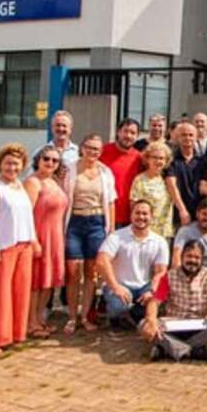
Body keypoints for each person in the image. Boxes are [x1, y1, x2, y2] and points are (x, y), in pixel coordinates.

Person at [0, 143, 39, 358]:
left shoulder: (20, 186)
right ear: (0, 164)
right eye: (8, 163)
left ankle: (14, 335)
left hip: (23, 246)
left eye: (16, 164)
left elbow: (27, 216)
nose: (12, 168)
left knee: (19, 293)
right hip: (2, 248)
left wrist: (33, 240)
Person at [139, 240, 207, 362]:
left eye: (197, 257)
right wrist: (151, 320)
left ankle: (169, 349)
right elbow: (154, 302)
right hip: (173, 325)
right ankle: (195, 350)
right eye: (189, 256)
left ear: (202, 259)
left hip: (200, 327)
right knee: (143, 325)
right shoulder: (169, 276)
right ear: (182, 257)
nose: (192, 260)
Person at [64, 133, 117, 336]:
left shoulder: (105, 172)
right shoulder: (69, 169)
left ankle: (85, 316)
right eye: (89, 147)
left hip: (96, 223)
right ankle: (71, 316)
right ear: (82, 148)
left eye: (96, 149)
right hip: (74, 223)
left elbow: (111, 201)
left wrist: (110, 229)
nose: (92, 152)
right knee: (72, 272)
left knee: (91, 273)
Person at [97, 200, 170, 328]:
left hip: (144, 287)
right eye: (137, 213)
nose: (141, 217)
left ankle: (133, 313)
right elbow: (102, 261)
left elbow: (161, 272)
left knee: (153, 304)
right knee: (118, 307)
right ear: (131, 215)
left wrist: (152, 291)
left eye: (145, 214)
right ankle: (111, 309)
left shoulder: (160, 242)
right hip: (119, 285)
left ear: (152, 217)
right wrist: (116, 287)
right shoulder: (116, 236)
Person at [24, 146, 68, 339]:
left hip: (55, 237)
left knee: (48, 282)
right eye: (46, 159)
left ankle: (39, 318)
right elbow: (26, 215)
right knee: (35, 283)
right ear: (38, 160)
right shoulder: (33, 182)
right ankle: (30, 323)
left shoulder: (54, 181)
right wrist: (33, 240)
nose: (50, 163)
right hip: (39, 236)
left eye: (55, 160)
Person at [101, 118, 143, 227]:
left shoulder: (139, 158)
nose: (128, 136)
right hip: (104, 214)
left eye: (132, 133)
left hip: (130, 217)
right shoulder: (102, 151)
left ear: (137, 136)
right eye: (125, 131)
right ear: (118, 132)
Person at [166, 120, 207, 228]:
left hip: (199, 213)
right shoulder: (171, 160)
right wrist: (182, 210)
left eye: (191, 135)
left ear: (196, 137)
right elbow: (171, 186)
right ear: (177, 137)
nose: (187, 138)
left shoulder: (202, 161)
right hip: (178, 214)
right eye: (183, 135)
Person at [129, 142, 174, 239]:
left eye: (161, 158)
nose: (158, 161)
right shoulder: (140, 180)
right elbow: (133, 206)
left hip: (164, 232)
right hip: (146, 232)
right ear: (147, 159)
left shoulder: (167, 180)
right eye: (155, 157)